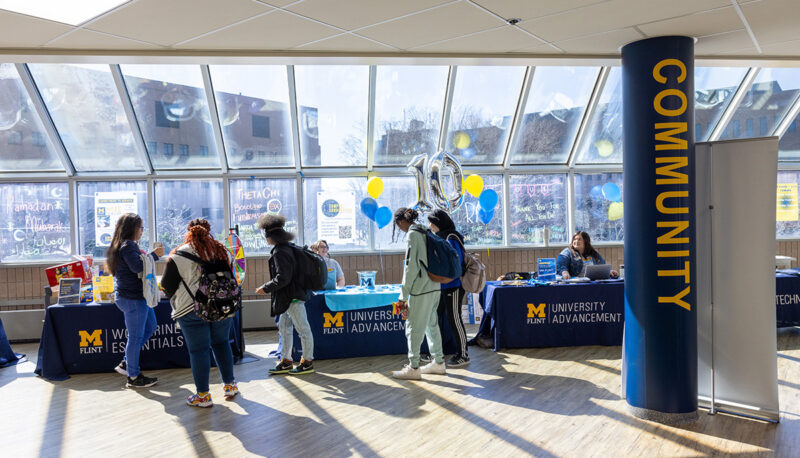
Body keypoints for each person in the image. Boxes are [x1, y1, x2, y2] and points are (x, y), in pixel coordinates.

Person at [160, 219, 238, 408]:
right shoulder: (222, 251)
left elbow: (167, 286)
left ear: (189, 232)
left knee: (199, 350)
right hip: (222, 307)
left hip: (191, 309)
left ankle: (203, 395)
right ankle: (230, 386)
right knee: (221, 344)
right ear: (209, 231)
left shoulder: (178, 255)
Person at [105, 213, 163, 388]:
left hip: (136, 297)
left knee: (151, 327)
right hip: (133, 299)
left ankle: (126, 363)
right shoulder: (127, 246)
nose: (142, 231)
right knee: (135, 337)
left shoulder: (125, 245)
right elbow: (137, 266)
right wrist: (154, 255)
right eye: (141, 228)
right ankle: (133, 376)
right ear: (132, 228)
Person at [256, 214, 315, 375]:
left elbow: (283, 278)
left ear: (271, 236)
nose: (265, 238)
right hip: (290, 297)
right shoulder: (288, 248)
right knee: (284, 328)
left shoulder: (280, 252)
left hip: (292, 297)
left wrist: (265, 288)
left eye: (266, 235)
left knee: (302, 329)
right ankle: (286, 361)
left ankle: (307, 361)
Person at [391, 207, 445, 380]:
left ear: (401, 222)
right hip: (435, 285)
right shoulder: (426, 230)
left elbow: (410, 268)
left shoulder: (413, 235)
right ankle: (438, 362)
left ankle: (413, 367)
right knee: (431, 325)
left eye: (398, 225)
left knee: (413, 328)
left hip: (420, 289)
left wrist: (403, 295)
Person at [427, 209, 469, 367]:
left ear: (438, 223)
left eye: (431, 222)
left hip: (454, 286)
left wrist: (444, 277)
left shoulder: (451, 238)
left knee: (455, 318)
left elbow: (456, 265)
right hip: (442, 285)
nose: (430, 225)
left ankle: (463, 354)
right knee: (436, 317)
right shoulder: (440, 237)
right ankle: (438, 351)